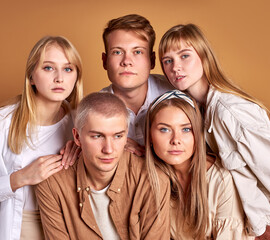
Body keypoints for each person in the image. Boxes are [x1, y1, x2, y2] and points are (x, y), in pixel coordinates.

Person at [158, 24, 270, 238]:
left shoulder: (230, 112)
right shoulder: (197, 111)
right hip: (242, 225)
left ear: (204, 57)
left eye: (184, 56)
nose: (176, 67)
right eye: (168, 61)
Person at [0, 36, 83, 240]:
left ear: (76, 76)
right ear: (31, 76)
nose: (60, 78)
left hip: (66, 226)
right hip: (16, 227)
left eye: (68, 69)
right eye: (48, 68)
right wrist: (19, 178)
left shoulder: (81, 125)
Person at [35, 92, 170, 240]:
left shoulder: (153, 180)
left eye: (118, 136)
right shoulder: (52, 185)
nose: (109, 149)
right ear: (77, 137)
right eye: (97, 136)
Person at [145, 90, 252, 239]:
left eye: (186, 129)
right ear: (149, 135)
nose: (176, 140)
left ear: (198, 134)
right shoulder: (149, 179)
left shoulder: (221, 180)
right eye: (164, 129)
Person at [100, 14, 173, 156]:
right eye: (117, 52)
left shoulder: (175, 93)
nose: (126, 61)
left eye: (137, 52)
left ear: (151, 60)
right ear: (104, 61)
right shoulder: (94, 110)